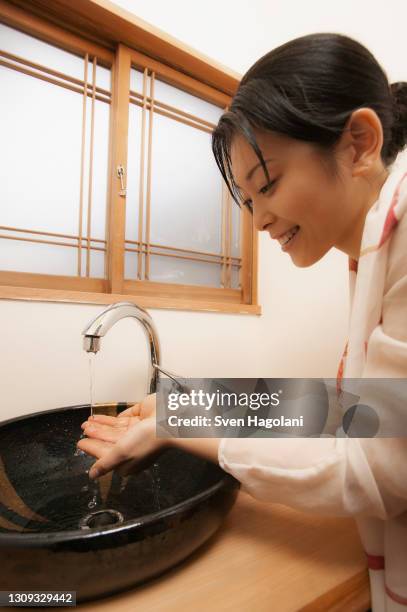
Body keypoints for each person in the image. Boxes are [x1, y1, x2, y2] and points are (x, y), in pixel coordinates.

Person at [77, 33, 407, 612]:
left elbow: (378, 470)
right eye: (248, 201)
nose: (258, 222)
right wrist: (190, 405)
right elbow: (362, 411)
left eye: (268, 184)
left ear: (358, 142)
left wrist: (180, 427)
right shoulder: (374, 247)